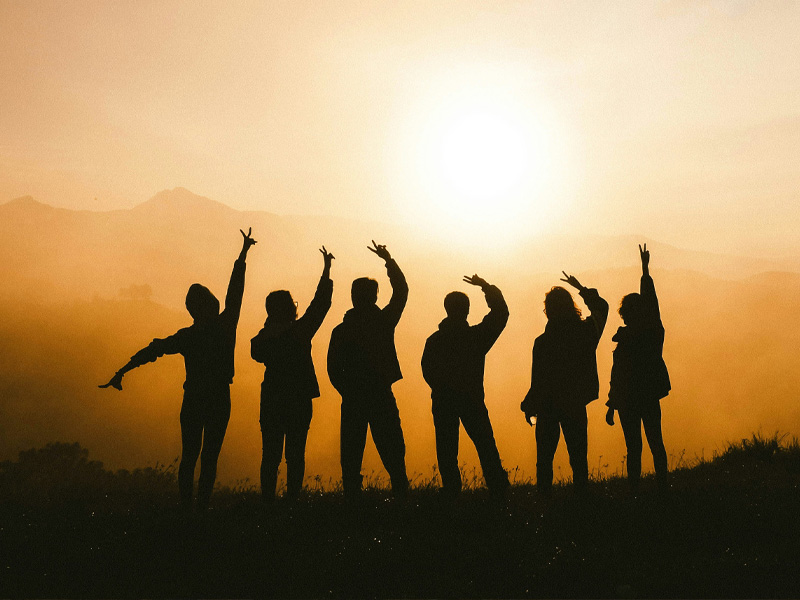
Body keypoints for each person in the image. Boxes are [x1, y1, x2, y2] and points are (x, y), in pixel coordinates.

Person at [100, 228, 257, 510]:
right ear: (210, 304)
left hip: (195, 398)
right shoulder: (225, 326)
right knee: (209, 457)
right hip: (219, 398)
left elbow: (153, 350)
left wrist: (122, 370)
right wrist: (242, 255)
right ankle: (200, 508)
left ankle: (188, 509)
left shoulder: (188, 336)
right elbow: (236, 292)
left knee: (190, 456)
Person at [251, 247, 334, 502]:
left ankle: (268, 500)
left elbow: (256, 352)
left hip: (272, 399)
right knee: (296, 453)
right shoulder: (300, 332)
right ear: (290, 309)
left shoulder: (262, 338)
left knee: (270, 454)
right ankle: (293, 500)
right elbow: (320, 305)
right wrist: (327, 271)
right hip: (298, 399)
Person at [327, 241, 409, 498]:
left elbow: (333, 368)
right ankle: (401, 494)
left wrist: (347, 389)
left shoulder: (342, 330)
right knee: (392, 448)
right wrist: (389, 260)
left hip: (352, 398)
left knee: (351, 452)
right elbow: (402, 291)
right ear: (374, 296)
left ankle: (352, 499)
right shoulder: (383, 322)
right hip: (380, 393)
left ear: (353, 296)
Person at [421, 274, 510, 499]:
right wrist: (486, 287)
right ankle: (498, 487)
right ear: (467, 310)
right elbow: (501, 313)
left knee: (446, 448)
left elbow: (427, 370)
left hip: (443, 400)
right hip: (472, 399)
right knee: (485, 444)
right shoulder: (476, 337)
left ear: (446, 309)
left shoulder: (434, 340)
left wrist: (442, 388)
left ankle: (451, 490)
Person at [521, 272, 608, 495]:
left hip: (548, 406)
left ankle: (544, 500)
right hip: (575, 402)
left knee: (544, 460)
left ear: (548, 311)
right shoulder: (586, 332)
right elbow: (602, 308)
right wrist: (581, 288)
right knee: (578, 457)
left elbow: (538, 379)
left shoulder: (542, 342)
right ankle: (581, 501)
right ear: (571, 306)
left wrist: (530, 405)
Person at [605, 244, 670, 492]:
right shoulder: (652, 333)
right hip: (647, 396)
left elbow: (617, 376)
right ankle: (661, 488)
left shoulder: (632, 338)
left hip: (628, 400)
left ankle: (635, 491)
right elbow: (652, 305)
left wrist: (612, 404)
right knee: (655, 442)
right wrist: (644, 271)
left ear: (623, 314)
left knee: (635, 447)